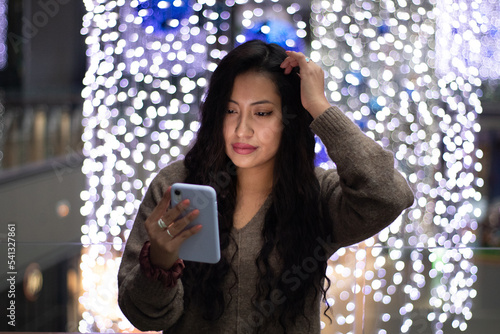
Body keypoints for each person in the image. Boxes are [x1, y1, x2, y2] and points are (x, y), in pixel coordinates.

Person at [117, 40, 414, 333]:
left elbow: (388, 194)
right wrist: (160, 261)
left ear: (289, 120)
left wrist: (319, 107)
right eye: (230, 111)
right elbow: (145, 318)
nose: (241, 129)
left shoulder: (318, 194)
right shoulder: (176, 185)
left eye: (262, 113)